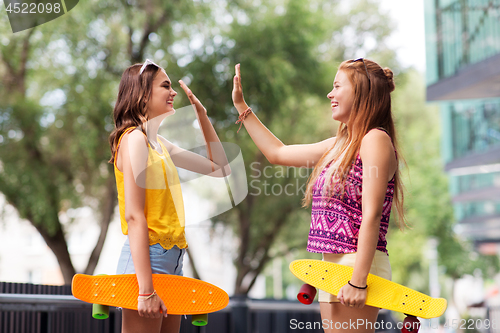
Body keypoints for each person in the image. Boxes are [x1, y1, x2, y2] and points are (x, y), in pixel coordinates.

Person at [232, 59, 406, 332]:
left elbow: (371, 215)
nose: (330, 94)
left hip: (357, 266)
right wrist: (242, 107)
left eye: (337, 86)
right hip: (334, 266)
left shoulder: (375, 139)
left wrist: (359, 281)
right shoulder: (342, 144)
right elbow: (277, 153)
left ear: (360, 92)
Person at [108, 59, 230, 333]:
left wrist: (202, 115)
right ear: (142, 94)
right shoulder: (134, 139)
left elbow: (220, 167)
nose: (173, 92)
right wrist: (145, 290)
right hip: (148, 260)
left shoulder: (159, 143)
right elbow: (134, 216)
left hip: (172, 258)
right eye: (166, 86)